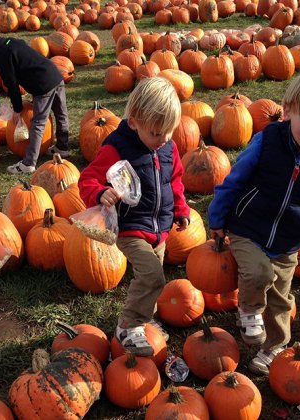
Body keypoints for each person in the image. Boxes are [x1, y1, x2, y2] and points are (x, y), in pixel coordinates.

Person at [207, 68, 300, 376]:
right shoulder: (268, 140)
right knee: (258, 272)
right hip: (247, 226)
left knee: (281, 298)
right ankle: (248, 310)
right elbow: (235, 179)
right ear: (288, 111)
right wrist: (217, 217)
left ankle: (274, 345)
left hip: (288, 239)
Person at [77, 77, 191, 356]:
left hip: (160, 228)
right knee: (152, 275)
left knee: (153, 276)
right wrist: (100, 192)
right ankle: (128, 325)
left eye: (168, 132)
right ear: (134, 121)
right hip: (131, 226)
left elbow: (174, 180)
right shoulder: (117, 148)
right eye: (156, 132)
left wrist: (181, 208)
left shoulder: (167, 147)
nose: (163, 139)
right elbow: (87, 179)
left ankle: (145, 319)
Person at [0, 27, 70, 175]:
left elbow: (11, 84)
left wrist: (17, 108)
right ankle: (63, 147)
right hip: (54, 74)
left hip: (42, 85)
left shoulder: (1, 57)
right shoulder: (11, 41)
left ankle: (29, 163)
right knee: (61, 114)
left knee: (38, 123)